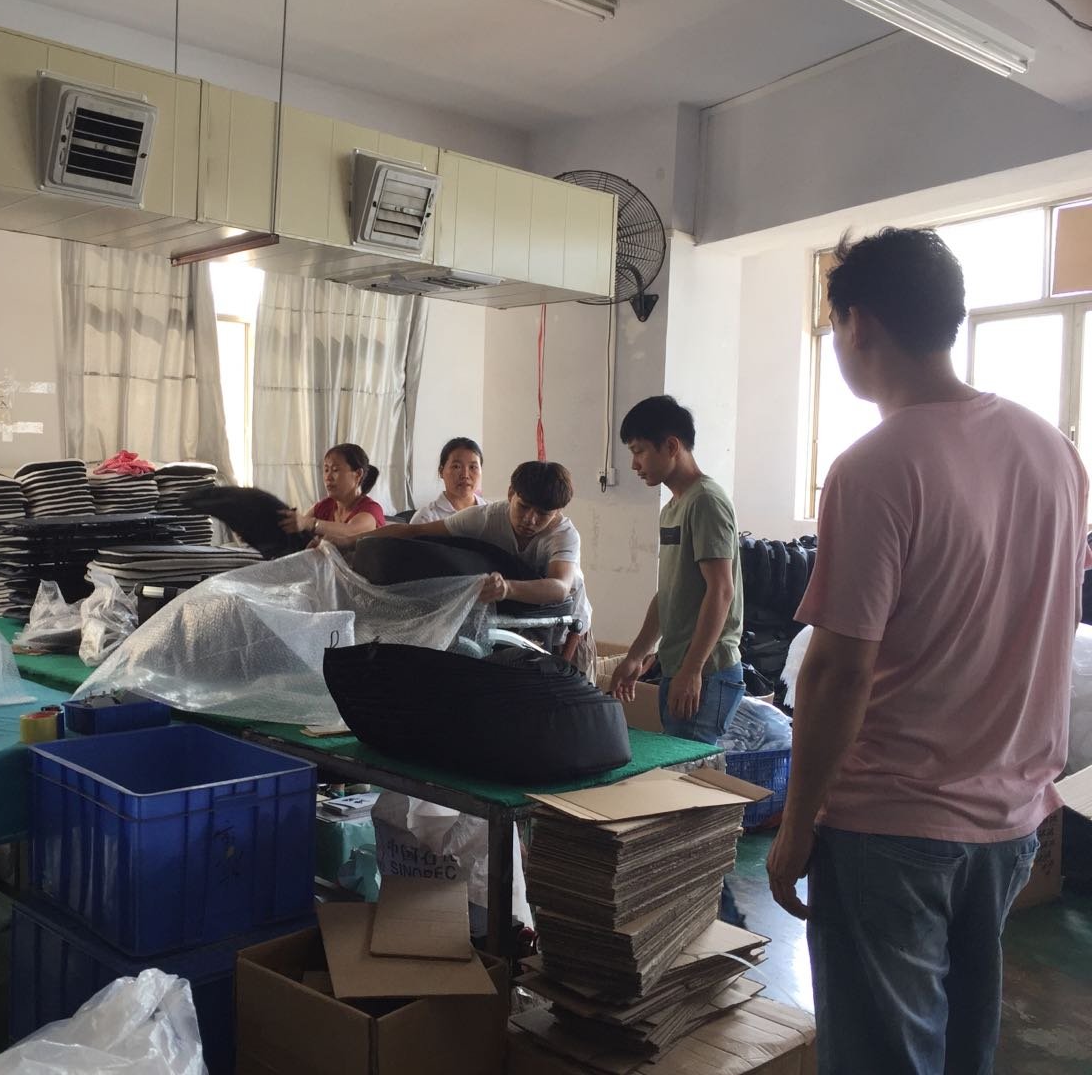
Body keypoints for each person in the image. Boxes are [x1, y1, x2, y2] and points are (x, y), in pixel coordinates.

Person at [764, 229, 1088, 1075]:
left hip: (891, 824)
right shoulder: (1055, 452)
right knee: (961, 1049)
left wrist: (795, 827)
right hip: (1011, 819)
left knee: (883, 1056)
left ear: (860, 324)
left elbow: (839, 671)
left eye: (834, 326)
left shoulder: (875, 466)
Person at [344, 460, 594, 673]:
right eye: (524, 507)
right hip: (520, 617)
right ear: (511, 494)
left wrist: (507, 588)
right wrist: (347, 542)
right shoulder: (485, 518)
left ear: (558, 511)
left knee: (572, 690)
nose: (530, 519)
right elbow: (413, 531)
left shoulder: (564, 535)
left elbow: (559, 587)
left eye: (543, 514)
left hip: (570, 624)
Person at [608, 396, 745, 744]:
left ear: (671, 446)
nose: (634, 464)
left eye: (639, 451)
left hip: (708, 670)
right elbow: (668, 592)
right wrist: (636, 656)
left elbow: (721, 590)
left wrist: (693, 669)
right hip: (679, 665)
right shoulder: (672, 508)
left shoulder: (706, 501)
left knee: (690, 773)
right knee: (679, 769)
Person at [279, 443, 387, 541]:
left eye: (335, 470)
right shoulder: (323, 506)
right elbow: (301, 526)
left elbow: (351, 532)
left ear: (358, 474)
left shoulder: (371, 509)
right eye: (326, 470)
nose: (328, 477)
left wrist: (310, 524)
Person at [411, 437, 485, 523]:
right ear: (441, 471)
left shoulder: (493, 514)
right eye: (456, 467)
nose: (465, 475)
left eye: (472, 467)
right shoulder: (425, 518)